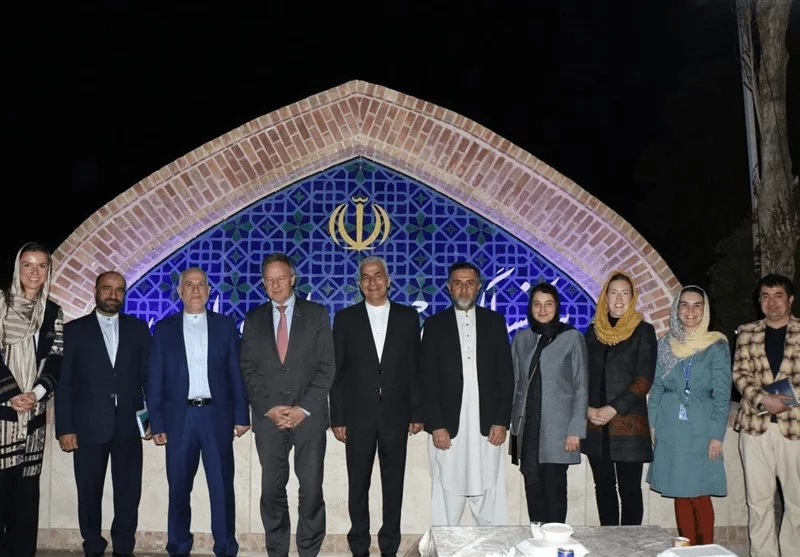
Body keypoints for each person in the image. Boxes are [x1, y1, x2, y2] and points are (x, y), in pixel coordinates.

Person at [148, 267, 251, 557]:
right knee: (179, 489)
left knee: (221, 487)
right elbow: (155, 378)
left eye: (201, 285)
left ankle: (226, 547)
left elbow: (236, 373)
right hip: (179, 418)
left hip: (216, 416)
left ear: (209, 290)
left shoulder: (225, 326)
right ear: (179, 291)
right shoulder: (164, 329)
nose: (195, 290)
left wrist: (241, 416)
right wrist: (157, 421)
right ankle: (178, 546)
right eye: (189, 285)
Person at [240, 252, 335, 557]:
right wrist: (268, 407)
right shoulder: (253, 319)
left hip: (309, 418)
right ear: (263, 283)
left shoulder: (317, 314)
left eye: (281, 278)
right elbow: (248, 368)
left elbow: (327, 367)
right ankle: (277, 550)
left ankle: (308, 550)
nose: (276, 285)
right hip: (269, 420)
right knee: (271, 491)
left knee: (311, 490)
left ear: (293, 279)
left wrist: (302, 409)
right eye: (269, 280)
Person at [330, 256, 423, 557]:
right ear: (360, 284)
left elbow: (415, 368)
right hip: (357, 416)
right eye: (366, 277)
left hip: (397, 414)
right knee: (358, 485)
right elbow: (337, 372)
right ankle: (359, 546)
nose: (372, 282)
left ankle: (389, 547)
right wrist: (338, 417)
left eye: (378, 275)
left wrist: (417, 412)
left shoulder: (408, 318)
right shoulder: (346, 318)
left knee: (393, 485)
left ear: (388, 280)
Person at [55, 270, 151, 557]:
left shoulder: (138, 329)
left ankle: (124, 548)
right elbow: (64, 384)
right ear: (95, 291)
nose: (113, 295)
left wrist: (152, 420)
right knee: (88, 493)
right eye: (107, 289)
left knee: (129, 493)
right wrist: (65, 428)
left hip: (128, 426)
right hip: (88, 426)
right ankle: (93, 546)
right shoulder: (73, 331)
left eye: (119, 290)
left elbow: (148, 378)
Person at [421, 261, 514, 526]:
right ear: (449, 288)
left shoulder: (495, 322)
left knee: (489, 487)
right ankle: (444, 544)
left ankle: (493, 545)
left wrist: (501, 420)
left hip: (487, 426)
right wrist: (436, 425)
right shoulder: (435, 324)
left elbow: (506, 376)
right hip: (449, 427)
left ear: (479, 287)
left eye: (470, 283)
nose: (464, 289)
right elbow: (427, 379)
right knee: (446, 489)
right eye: (458, 283)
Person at [647, 286, 730, 546]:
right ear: (677, 309)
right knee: (680, 491)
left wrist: (717, 435)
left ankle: (705, 550)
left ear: (705, 310)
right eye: (684, 304)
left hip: (702, 427)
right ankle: (687, 549)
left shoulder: (716, 346)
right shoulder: (665, 345)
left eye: (697, 305)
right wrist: (652, 425)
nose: (690, 310)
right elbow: (656, 388)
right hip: (670, 425)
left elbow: (722, 394)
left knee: (700, 493)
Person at [0, 242, 64, 557]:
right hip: (2, 414)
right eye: (28, 264)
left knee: (26, 501)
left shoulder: (52, 311)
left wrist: (36, 393)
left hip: (33, 416)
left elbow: (56, 359)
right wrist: (12, 393)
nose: (34, 272)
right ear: (18, 267)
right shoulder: (1, 303)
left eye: (41, 265)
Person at [581, 270, 657, 525]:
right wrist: (587, 409)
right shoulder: (593, 332)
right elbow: (580, 375)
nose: (619, 299)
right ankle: (609, 542)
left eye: (625, 293)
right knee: (603, 488)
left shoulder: (643, 331)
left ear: (633, 297)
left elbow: (644, 379)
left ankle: (630, 544)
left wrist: (613, 409)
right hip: (596, 424)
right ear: (605, 297)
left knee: (630, 490)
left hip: (628, 425)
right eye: (613, 293)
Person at [510, 282, 588, 524]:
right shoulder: (521, 339)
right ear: (530, 308)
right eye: (537, 304)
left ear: (557, 307)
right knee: (532, 490)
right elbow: (516, 385)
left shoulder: (571, 338)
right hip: (528, 430)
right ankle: (537, 540)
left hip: (559, 432)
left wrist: (576, 430)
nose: (542, 310)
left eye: (548, 304)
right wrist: (513, 431)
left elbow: (581, 386)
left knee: (554, 494)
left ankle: (555, 541)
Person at [733, 274, 800, 557]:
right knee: (758, 503)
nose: (772, 302)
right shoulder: (747, 333)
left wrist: (782, 401)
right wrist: (763, 399)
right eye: (766, 296)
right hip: (754, 428)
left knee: (797, 503)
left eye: (778, 295)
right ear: (759, 301)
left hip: (795, 429)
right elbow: (740, 374)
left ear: (790, 299)